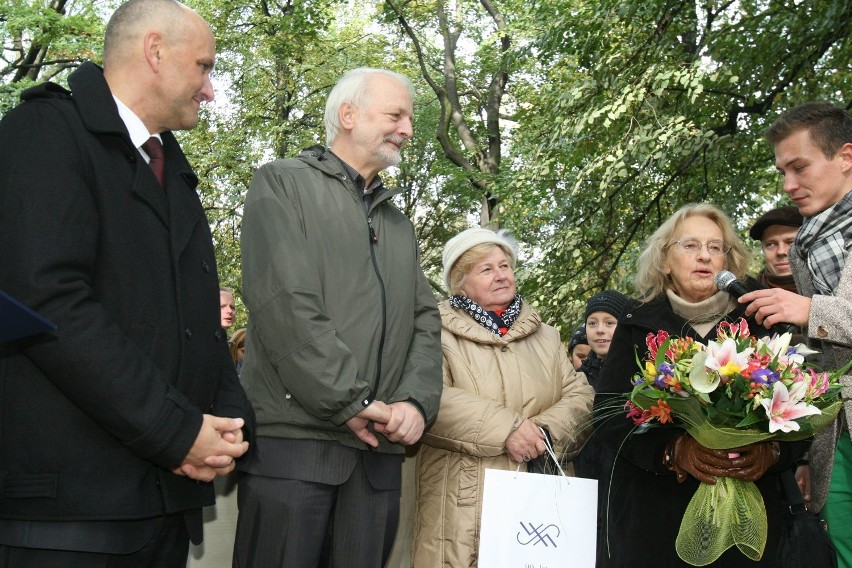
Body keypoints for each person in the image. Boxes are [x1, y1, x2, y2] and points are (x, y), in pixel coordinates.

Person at [0, 1, 253, 566]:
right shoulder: (45, 133)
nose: (209, 91)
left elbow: (194, 320)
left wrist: (230, 424)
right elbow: (47, 302)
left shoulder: (169, 167)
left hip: (160, 505)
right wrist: (176, 431)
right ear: (155, 51)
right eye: (204, 67)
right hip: (72, 519)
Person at [234, 67, 443, 568]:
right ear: (347, 115)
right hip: (296, 450)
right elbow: (284, 303)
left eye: (409, 117)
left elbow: (424, 319)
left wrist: (415, 403)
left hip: (376, 463)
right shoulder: (282, 183)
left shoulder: (397, 222)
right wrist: (347, 398)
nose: (408, 129)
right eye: (396, 114)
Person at [592, 203, 806, 567]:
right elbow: (608, 415)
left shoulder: (760, 319)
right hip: (658, 517)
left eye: (715, 246)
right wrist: (672, 451)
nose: (704, 255)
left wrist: (772, 454)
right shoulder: (635, 325)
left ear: (728, 259)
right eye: (689, 245)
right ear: (664, 260)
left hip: (749, 519)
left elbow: (802, 405)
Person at [410, 227, 594, 567]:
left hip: (540, 500)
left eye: (505, 266)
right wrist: (507, 428)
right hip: (462, 505)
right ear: (459, 282)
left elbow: (581, 396)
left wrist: (543, 432)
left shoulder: (547, 336)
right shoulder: (432, 332)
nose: (501, 275)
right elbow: (426, 396)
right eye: (486, 269)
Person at [741, 101, 852, 567]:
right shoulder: (808, 243)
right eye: (782, 171)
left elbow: (823, 317)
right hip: (837, 437)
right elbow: (820, 363)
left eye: (799, 167)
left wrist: (808, 308)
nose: (789, 185)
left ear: (845, 157)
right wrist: (807, 454)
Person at [748, 206, 804, 293]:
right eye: (771, 244)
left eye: (790, 243)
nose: (781, 251)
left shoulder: (829, 287)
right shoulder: (746, 294)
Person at [580, 289, 628, 389]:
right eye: (592, 323)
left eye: (609, 323)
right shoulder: (578, 379)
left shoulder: (646, 373)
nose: (600, 330)